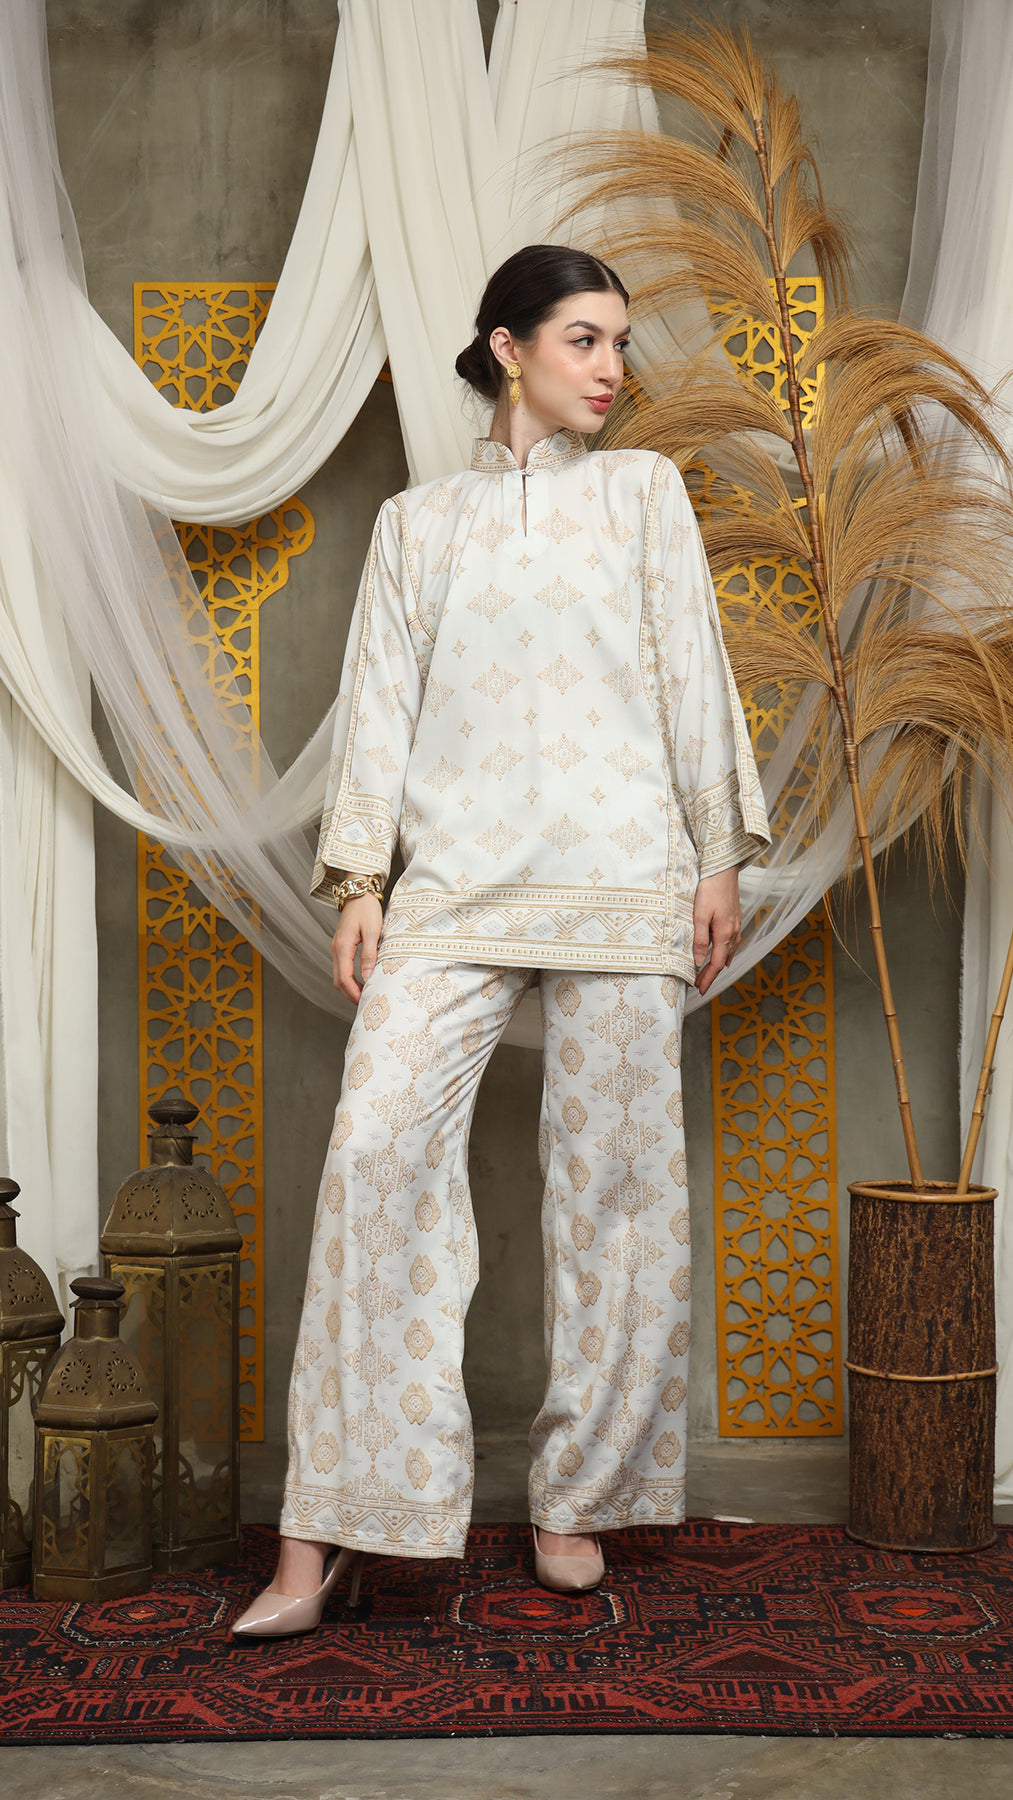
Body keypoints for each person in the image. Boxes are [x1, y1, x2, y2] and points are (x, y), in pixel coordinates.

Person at [233, 243, 770, 1638]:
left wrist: (716, 856)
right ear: (506, 347)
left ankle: (576, 1498)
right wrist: (362, 878)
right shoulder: (420, 525)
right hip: (457, 886)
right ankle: (328, 1526)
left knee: (616, 1192)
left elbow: (691, 672)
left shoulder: (642, 495)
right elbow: (379, 703)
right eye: (584, 339)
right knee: (374, 1161)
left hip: (622, 876)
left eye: (618, 343)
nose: (611, 368)